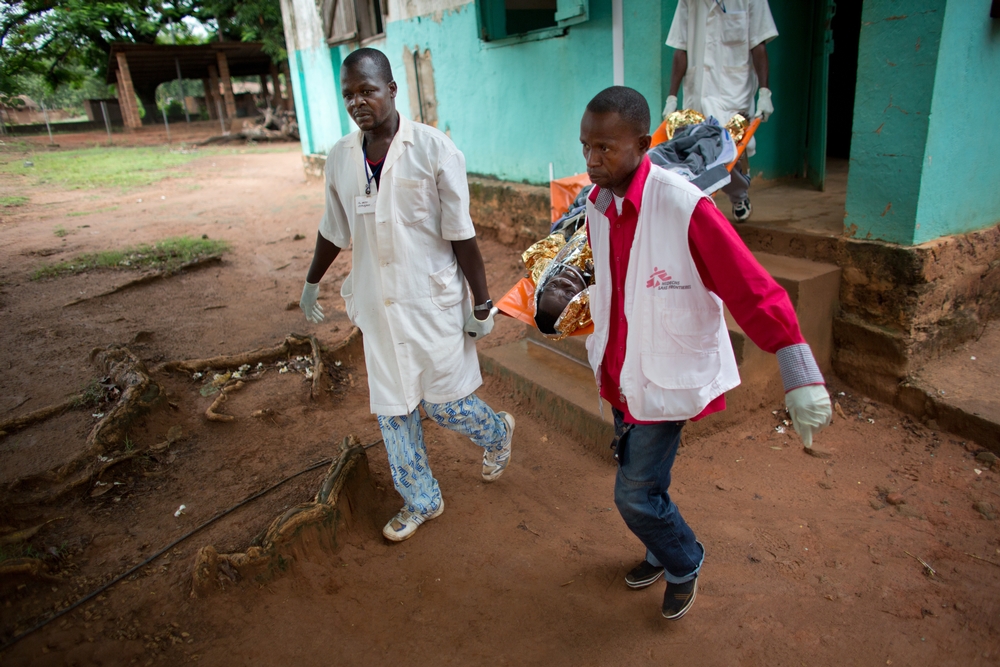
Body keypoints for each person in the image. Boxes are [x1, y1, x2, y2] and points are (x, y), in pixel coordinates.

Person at [579, 86, 831, 620]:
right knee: (643, 476)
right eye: (586, 147)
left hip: (666, 371)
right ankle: (658, 545)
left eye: (605, 148)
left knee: (633, 494)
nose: (592, 160)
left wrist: (797, 367)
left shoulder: (682, 205)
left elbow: (750, 287)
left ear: (643, 144)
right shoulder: (599, 206)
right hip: (622, 371)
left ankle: (684, 558)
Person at [298, 48, 515, 543]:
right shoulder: (341, 158)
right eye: (349, 93)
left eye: (368, 90)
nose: (358, 102)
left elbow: (462, 235)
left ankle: (498, 433)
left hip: (431, 302)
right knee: (393, 410)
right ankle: (421, 498)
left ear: (392, 90)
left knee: (446, 405)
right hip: (378, 306)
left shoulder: (435, 149)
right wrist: (312, 280)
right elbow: (335, 229)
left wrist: (482, 303)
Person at [662, 0, 778, 222]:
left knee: (732, 151)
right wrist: (672, 97)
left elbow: (758, 46)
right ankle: (700, 208)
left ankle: (739, 195)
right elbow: (681, 48)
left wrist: (764, 92)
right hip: (698, 91)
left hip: (733, 90)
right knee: (698, 152)